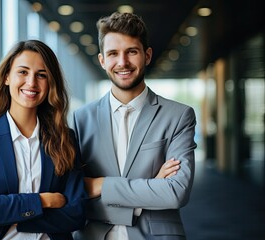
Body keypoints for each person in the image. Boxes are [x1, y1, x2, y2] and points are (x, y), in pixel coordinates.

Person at [72, 12, 197, 240]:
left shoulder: (179, 116)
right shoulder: (80, 119)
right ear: (102, 60)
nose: (123, 63)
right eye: (113, 54)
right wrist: (150, 188)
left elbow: (175, 192)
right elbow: (73, 195)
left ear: (147, 55)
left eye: (131, 51)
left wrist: (102, 185)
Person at [0, 40, 87, 240]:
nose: (31, 83)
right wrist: (43, 201)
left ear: (50, 83)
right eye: (23, 72)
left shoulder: (65, 138)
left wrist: (8, 212)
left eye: (41, 75)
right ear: (7, 77)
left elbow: (76, 214)